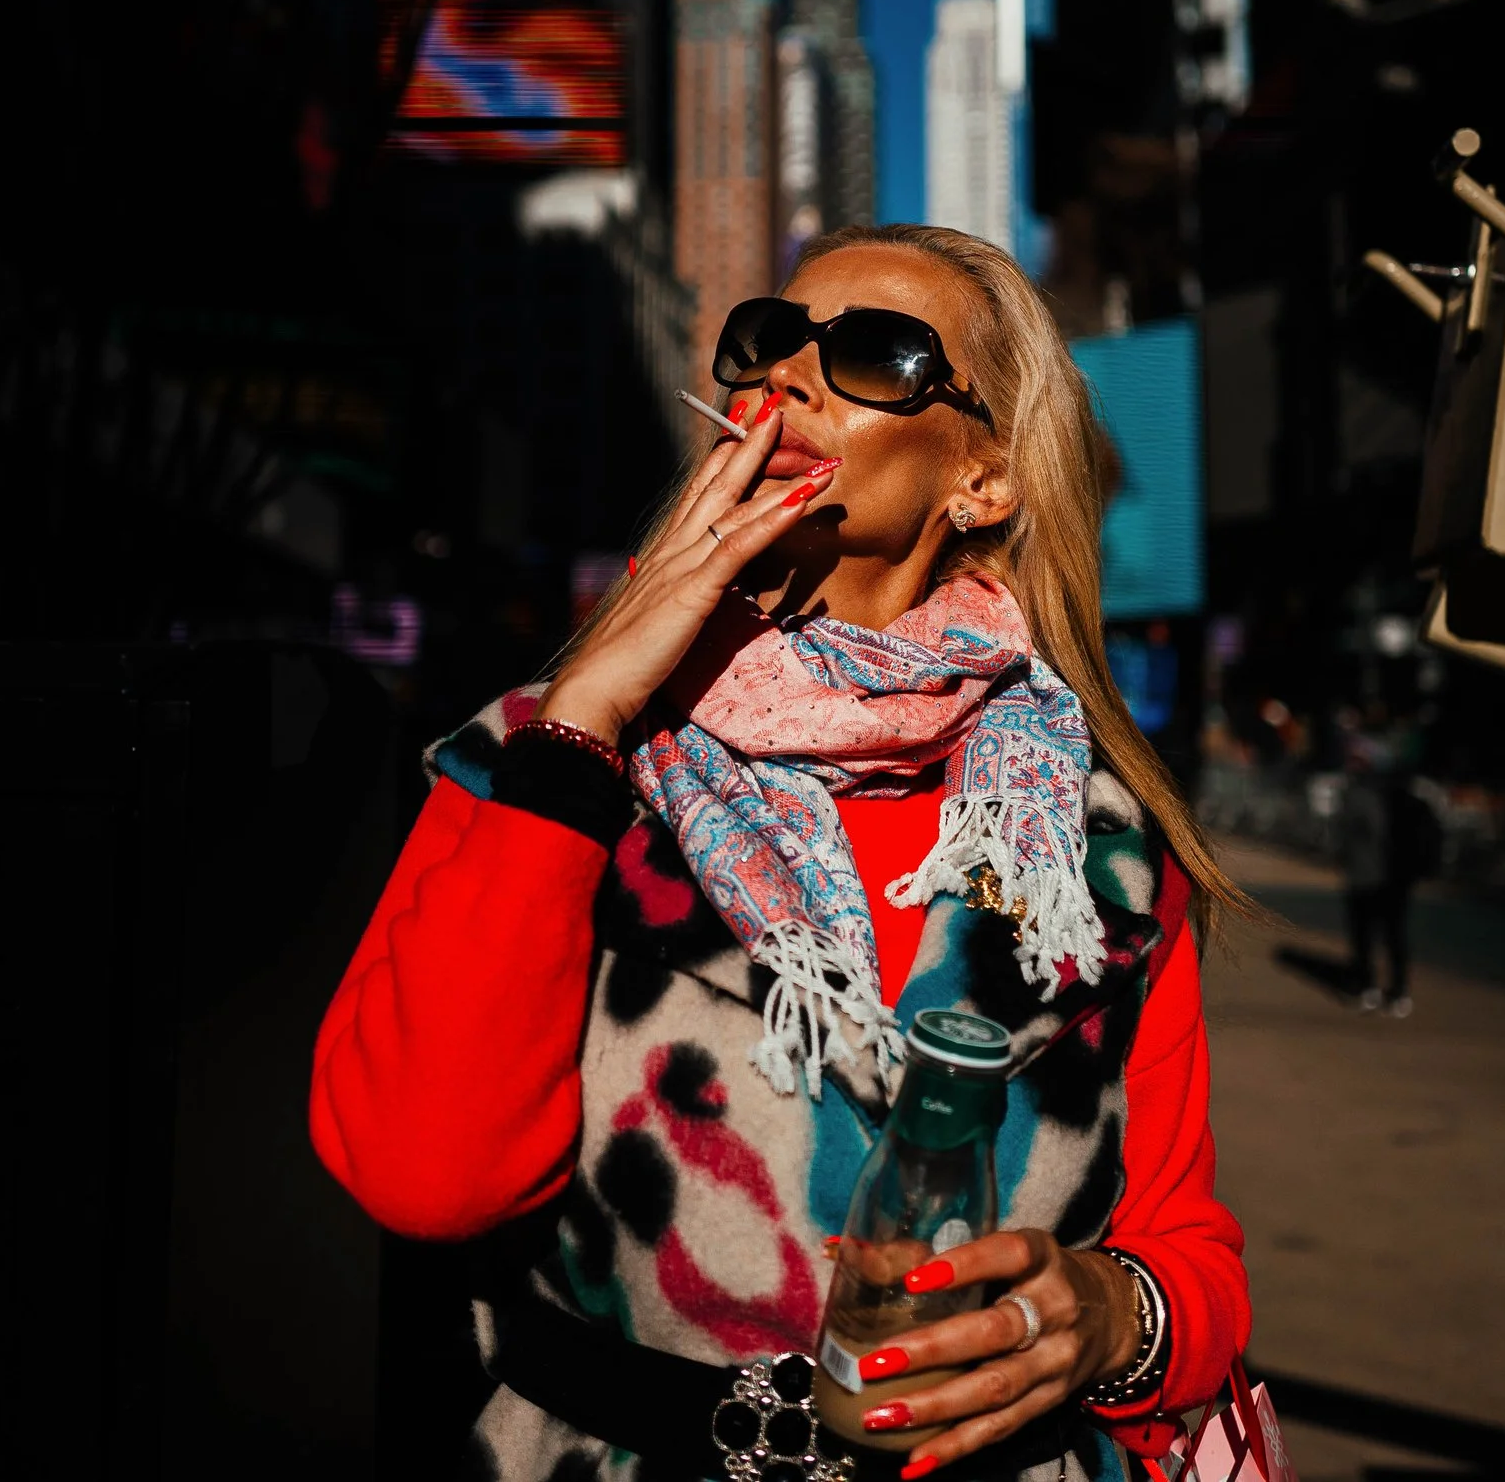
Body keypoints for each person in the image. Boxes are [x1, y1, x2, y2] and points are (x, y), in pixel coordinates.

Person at [310, 225, 1253, 1482]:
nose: (791, 377)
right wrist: (586, 715)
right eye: (768, 339)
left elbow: (1184, 1245)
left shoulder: (1097, 842)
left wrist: (1108, 1317)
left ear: (981, 481)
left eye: (876, 354)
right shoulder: (538, 764)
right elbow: (424, 1178)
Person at [1337, 705, 1431, 1018]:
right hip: (1387, 876)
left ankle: (1376, 987)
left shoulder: (1366, 793)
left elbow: (1359, 834)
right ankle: (1391, 989)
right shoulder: (1395, 793)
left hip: (1375, 876)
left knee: (1375, 935)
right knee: (1389, 935)